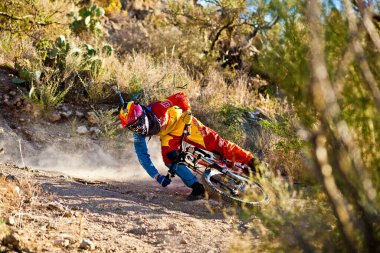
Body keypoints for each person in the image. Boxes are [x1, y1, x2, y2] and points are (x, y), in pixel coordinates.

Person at [119, 92, 260, 201]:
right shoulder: (138, 134)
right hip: (170, 135)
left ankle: (252, 162)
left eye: (137, 123)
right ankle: (198, 188)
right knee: (169, 160)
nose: (137, 129)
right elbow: (142, 156)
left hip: (184, 122)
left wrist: (187, 111)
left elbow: (179, 96)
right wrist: (156, 176)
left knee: (216, 143)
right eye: (132, 127)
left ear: (142, 114)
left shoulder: (158, 107)